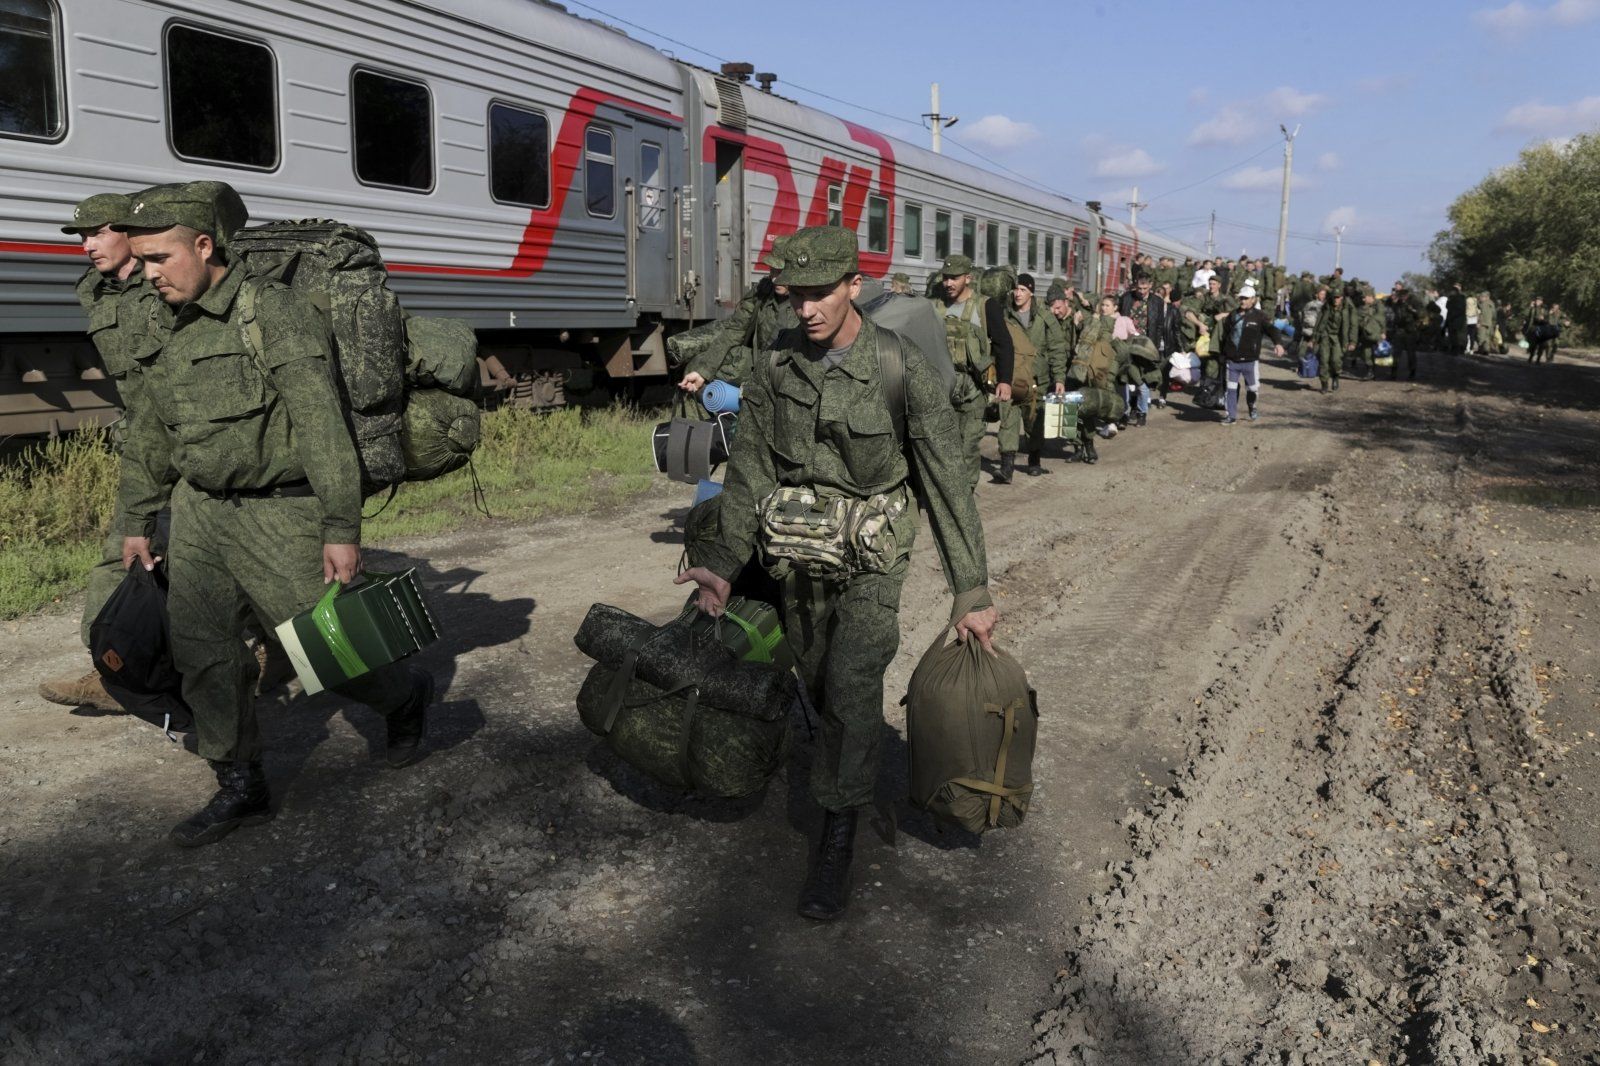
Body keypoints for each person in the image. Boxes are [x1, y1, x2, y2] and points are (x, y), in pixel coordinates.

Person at [675, 226, 997, 921]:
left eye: (822, 293)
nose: (808, 309)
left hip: (872, 558)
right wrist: (724, 566)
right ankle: (836, 762)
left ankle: (835, 841)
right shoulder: (775, 366)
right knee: (817, 678)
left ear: (855, 285)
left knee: (852, 682)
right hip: (797, 552)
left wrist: (971, 592)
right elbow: (751, 471)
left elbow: (946, 483)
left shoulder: (900, 367)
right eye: (796, 296)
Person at [114, 181, 435, 847]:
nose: (148, 274)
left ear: (204, 246)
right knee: (205, 655)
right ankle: (241, 785)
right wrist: (138, 519)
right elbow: (149, 431)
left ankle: (403, 696)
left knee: (331, 649)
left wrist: (341, 529)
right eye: (140, 261)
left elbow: (321, 426)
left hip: (279, 514)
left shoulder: (272, 311)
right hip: (199, 515)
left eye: (159, 258)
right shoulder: (164, 323)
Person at [37, 194, 162, 714]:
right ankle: (109, 670)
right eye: (80, 237)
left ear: (131, 233)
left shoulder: (168, 281)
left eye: (97, 233)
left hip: (197, 438)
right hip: (148, 441)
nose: (87, 246)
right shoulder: (94, 289)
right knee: (123, 551)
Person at [930, 254, 1013, 489]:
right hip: (942, 386)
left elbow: (1003, 344)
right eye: (945, 278)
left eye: (954, 278)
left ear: (968, 278)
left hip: (974, 388)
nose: (948, 283)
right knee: (943, 446)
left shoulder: (985, 306)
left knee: (968, 444)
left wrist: (1004, 381)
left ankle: (965, 495)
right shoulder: (935, 306)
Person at [996, 273, 1068, 480]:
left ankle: (1034, 461)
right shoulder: (1005, 315)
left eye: (1023, 290)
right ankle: (1006, 466)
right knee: (1008, 420)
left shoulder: (1045, 317)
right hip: (1011, 377)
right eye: (1015, 289)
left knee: (1033, 422)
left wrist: (1060, 378)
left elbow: (1057, 348)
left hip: (1037, 380)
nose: (1017, 294)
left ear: (1031, 292)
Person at [1217, 286, 1285, 424]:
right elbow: (1225, 336)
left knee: (1252, 389)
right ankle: (1231, 416)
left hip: (1250, 361)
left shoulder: (1260, 316)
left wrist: (1278, 343)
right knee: (1231, 388)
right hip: (1232, 360)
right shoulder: (1233, 315)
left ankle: (1252, 406)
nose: (1243, 301)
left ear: (1253, 299)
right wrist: (1223, 354)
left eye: (1246, 298)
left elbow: (1272, 330)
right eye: (1241, 298)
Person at [1312, 287, 1356, 393]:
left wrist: (1353, 341)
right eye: (1334, 297)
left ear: (1342, 298)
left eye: (1338, 297)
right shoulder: (1326, 307)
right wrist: (1314, 338)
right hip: (1325, 336)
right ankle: (1324, 383)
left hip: (1339, 338)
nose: (1336, 299)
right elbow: (1319, 322)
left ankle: (1335, 376)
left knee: (1336, 361)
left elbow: (1353, 325)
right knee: (1324, 360)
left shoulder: (1347, 309)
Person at [1444, 284, 1467, 355]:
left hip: (1457, 320)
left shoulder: (1460, 298)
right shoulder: (1452, 298)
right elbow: (1447, 306)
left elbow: (1460, 310)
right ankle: (1453, 349)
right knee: (1452, 336)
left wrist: (1452, 316)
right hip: (1452, 319)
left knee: (1457, 336)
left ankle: (1457, 349)